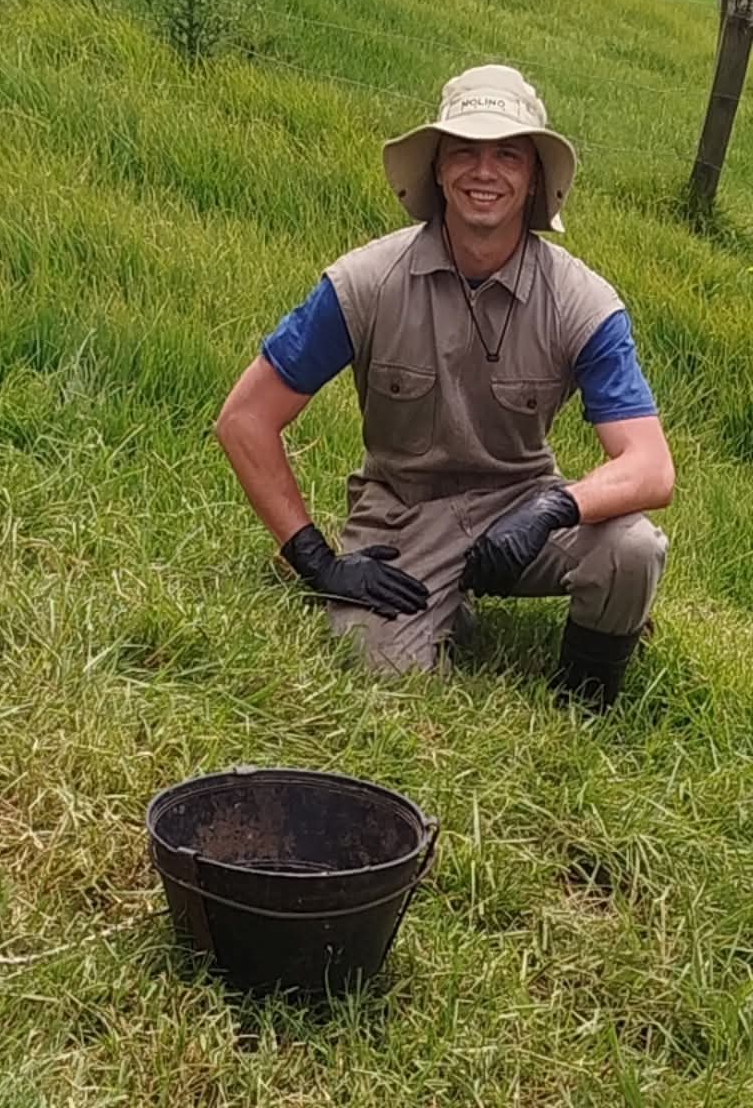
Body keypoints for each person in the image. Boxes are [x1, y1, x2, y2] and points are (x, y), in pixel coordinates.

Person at [215, 64, 675, 710]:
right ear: (436, 167)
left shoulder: (583, 302)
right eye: (464, 150)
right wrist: (316, 560)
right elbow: (244, 420)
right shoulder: (364, 284)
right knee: (379, 680)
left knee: (633, 547)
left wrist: (551, 509)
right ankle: (442, 610)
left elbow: (652, 466)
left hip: (524, 506)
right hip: (404, 512)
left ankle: (584, 700)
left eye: (507, 154)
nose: (484, 172)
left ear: (534, 175)